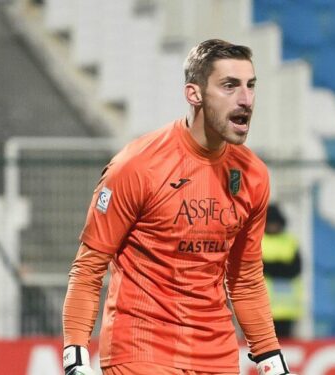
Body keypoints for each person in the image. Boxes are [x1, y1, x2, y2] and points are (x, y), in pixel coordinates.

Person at [62, 39, 295, 375]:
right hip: (141, 352)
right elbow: (88, 268)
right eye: (229, 86)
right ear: (194, 94)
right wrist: (76, 356)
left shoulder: (253, 175)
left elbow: (244, 279)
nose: (245, 99)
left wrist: (272, 359)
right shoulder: (137, 165)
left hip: (217, 357)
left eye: (250, 86)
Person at [261, 204, 303, 338]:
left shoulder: (290, 241)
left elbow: (296, 269)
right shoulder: (257, 241)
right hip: (262, 308)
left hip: (287, 308)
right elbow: (254, 267)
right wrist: (281, 266)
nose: (273, 226)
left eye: (275, 223)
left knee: (285, 349)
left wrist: (271, 267)